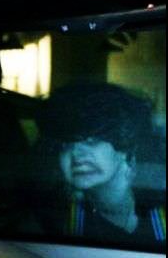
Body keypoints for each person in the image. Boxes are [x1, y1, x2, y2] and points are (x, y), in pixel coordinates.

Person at [35, 83, 165, 247]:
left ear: (125, 145)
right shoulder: (51, 221)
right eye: (65, 145)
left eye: (92, 141)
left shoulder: (159, 210)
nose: (76, 154)